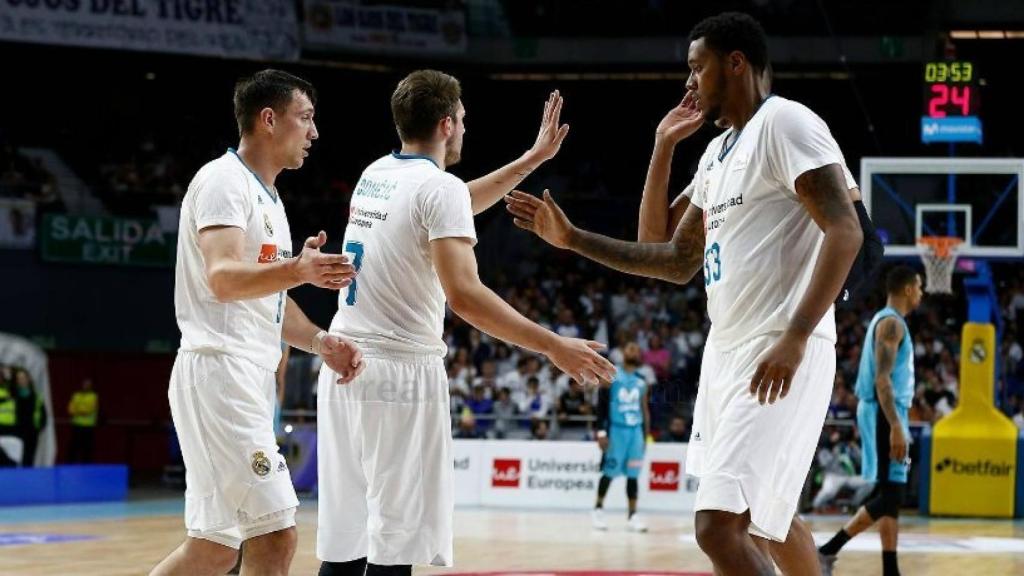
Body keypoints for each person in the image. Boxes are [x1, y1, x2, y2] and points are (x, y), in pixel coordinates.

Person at [506, 12, 863, 575]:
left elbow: (846, 229)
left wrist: (795, 336)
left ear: (736, 63)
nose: (690, 81)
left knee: (718, 528)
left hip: (779, 343)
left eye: (698, 67)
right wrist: (661, 147)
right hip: (727, 351)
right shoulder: (718, 154)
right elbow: (667, 256)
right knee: (764, 523)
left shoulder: (785, 123)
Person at [316, 70, 616, 576]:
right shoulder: (438, 189)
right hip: (398, 372)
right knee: (395, 551)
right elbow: (466, 297)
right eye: (463, 120)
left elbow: (448, 206)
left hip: (345, 364)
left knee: (345, 551)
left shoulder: (377, 174)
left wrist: (531, 160)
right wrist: (552, 345)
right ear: (447, 124)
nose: (465, 128)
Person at [150, 69, 364, 576]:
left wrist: (319, 341)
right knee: (276, 536)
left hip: (238, 378)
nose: (314, 133)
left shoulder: (268, 197)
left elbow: (267, 300)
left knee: (215, 548)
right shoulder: (224, 181)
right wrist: (296, 269)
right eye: (305, 118)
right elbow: (222, 278)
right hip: (221, 372)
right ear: (268, 119)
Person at [818, 266, 923, 576]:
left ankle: (890, 569)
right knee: (891, 495)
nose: (922, 293)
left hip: (884, 411)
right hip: (883, 411)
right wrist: (896, 426)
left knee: (890, 494)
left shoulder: (890, 321)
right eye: (919, 287)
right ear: (907, 289)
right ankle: (827, 551)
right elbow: (882, 380)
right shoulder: (891, 324)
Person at [591, 343, 651, 532]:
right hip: (617, 431)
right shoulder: (612, 376)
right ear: (623, 354)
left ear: (639, 355)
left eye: (635, 348)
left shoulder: (642, 381)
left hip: (635, 433)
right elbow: (601, 404)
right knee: (609, 472)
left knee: (633, 475)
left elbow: (645, 410)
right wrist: (601, 432)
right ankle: (598, 510)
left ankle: (632, 515)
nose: (632, 350)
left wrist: (645, 436)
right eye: (629, 348)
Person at [12, 368, 46, 467]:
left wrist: (38, 428)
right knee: (15, 460)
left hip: (31, 434)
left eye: (23, 378)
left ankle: (27, 481)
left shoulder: (36, 397)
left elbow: (43, 416)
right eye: (18, 378)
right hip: (16, 433)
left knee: (29, 460)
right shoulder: (13, 396)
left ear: (29, 379)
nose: (21, 380)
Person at [67, 378, 99, 463]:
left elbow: (90, 409)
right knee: (74, 446)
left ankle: (86, 465)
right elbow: (71, 409)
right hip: (77, 424)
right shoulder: (76, 395)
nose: (86, 385)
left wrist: (79, 410)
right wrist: (80, 410)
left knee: (87, 448)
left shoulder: (94, 396)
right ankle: (71, 465)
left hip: (88, 426)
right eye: (85, 383)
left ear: (91, 386)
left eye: (88, 384)